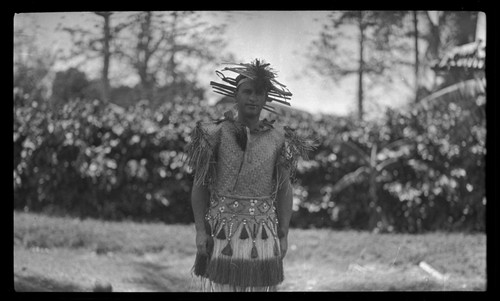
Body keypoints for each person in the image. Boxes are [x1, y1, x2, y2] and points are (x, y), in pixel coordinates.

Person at [185, 59, 316, 292]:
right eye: (247, 92)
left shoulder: (278, 138)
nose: (253, 98)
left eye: (259, 93)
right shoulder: (215, 133)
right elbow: (200, 184)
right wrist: (200, 230)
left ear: (267, 98)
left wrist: (283, 233)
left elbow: (285, 188)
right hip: (222, 230)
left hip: (263, 234)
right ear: (236, 95)